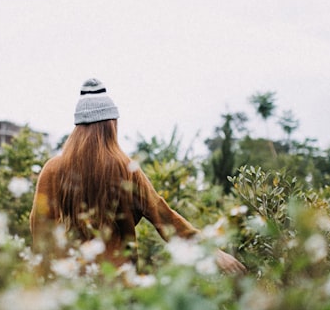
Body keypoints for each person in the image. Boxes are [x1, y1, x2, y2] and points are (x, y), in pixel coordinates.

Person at [30, 78, 246, 274]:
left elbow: (39, 232)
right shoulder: (126, 169)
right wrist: (212, 251)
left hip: (68, 283)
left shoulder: (52, 170)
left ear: (77, 128)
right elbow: (166, 218)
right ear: (111, 126)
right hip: (117, 284)